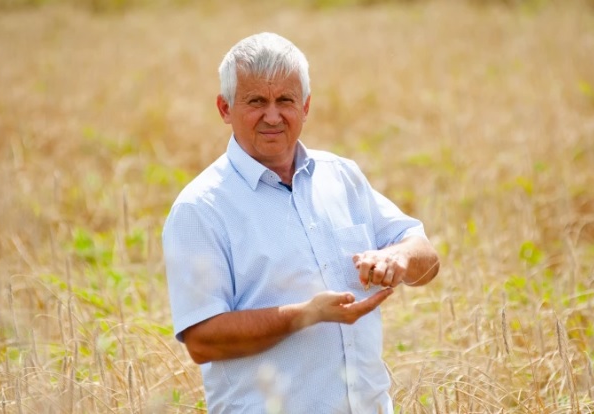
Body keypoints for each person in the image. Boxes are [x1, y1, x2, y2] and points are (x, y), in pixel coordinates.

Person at [162, 32, 440, 414]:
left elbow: (424, 256)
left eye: (285, 101)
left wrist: (399, 257)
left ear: (306, 106)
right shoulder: (201, 208)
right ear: (224, 108)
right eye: (256, 101)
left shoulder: (341, 176)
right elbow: (203, 340)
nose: (272, 116)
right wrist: (306, 314)